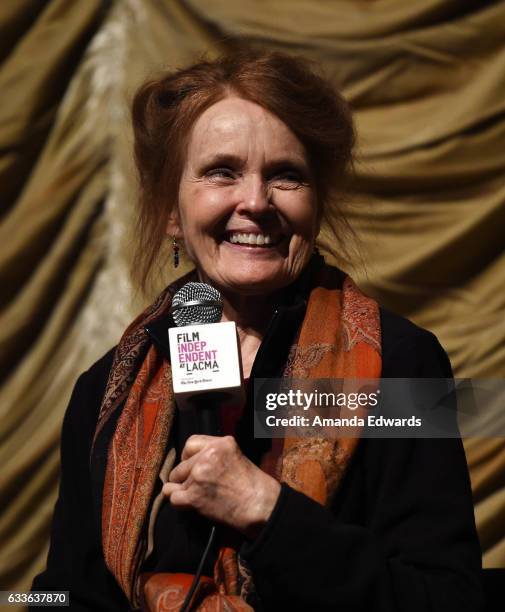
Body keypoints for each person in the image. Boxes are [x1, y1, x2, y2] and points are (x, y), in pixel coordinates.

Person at [32, 51, 484, 611]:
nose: (255, 201)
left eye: (285, 176)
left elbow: (451, 599)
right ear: (173, 210)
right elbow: (64, 590)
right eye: (222, 171)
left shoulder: (407, 363)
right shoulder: (106, 391)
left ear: (316, 204)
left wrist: (268, 511)